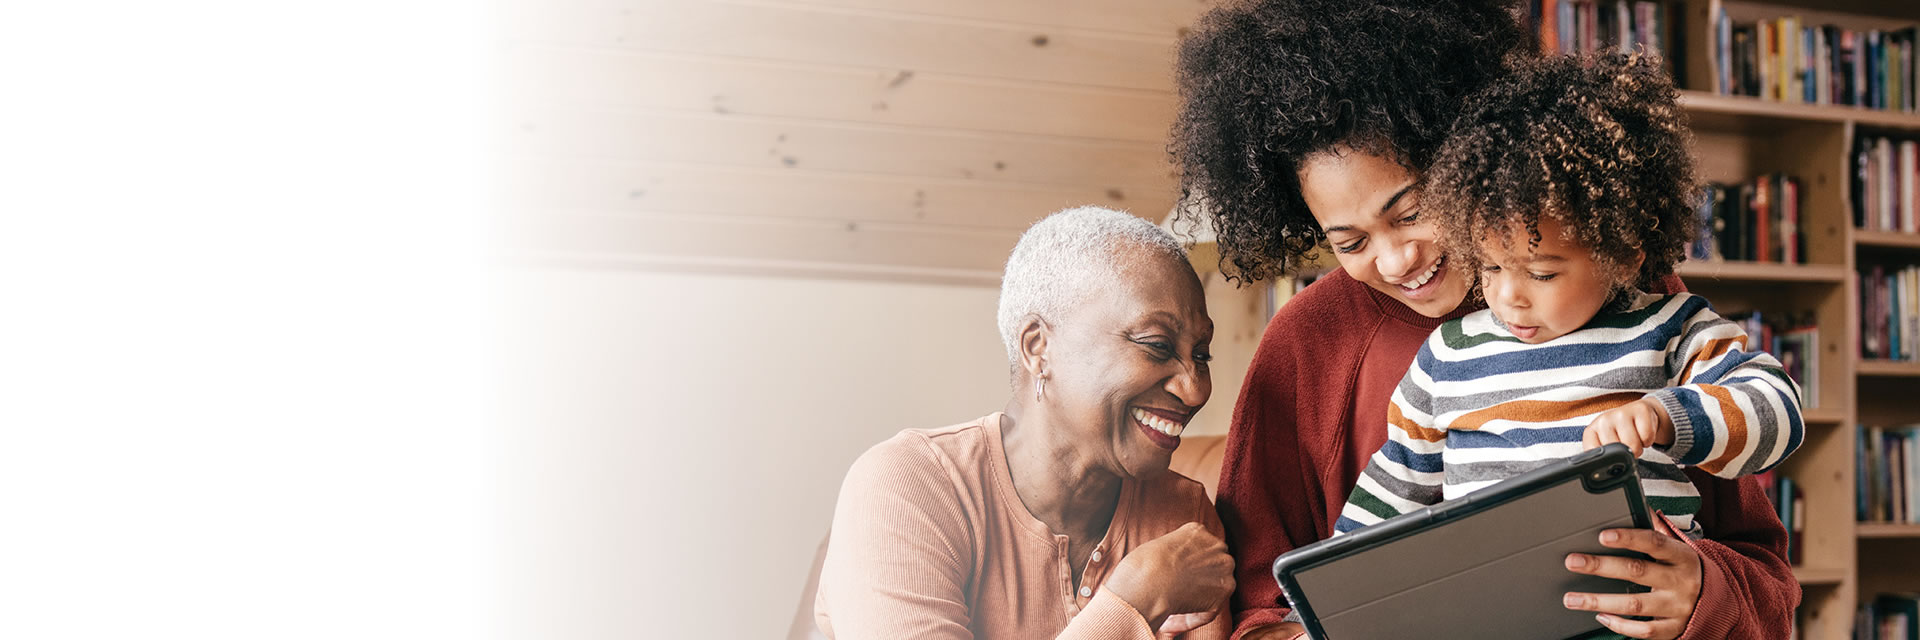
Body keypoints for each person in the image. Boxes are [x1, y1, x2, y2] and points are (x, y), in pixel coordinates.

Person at [1169, 1, 1799, 639]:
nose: (1395, 259)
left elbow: (1768, 584)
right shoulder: (1307, 345)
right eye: (1350, 242)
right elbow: (1260, 610)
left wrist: (1699, 591)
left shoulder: (1618, 291)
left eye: (1412, 211)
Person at [1335, 53, 1806, 547]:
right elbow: (1392, 489)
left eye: (1541, 274)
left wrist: (1667, 417)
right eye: (1490, 267)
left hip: (1630, 607)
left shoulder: (1670, 328)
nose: (1507, 296)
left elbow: (1777, 411)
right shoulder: (1447, 356)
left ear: (1622, 257)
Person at [814, 206, 1235, 640]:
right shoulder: (906, 486)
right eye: (1157, 344)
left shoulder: (1182, 521)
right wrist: (1137, 596)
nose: (1195, 390)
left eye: (1201, 355)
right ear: (1038, 347)